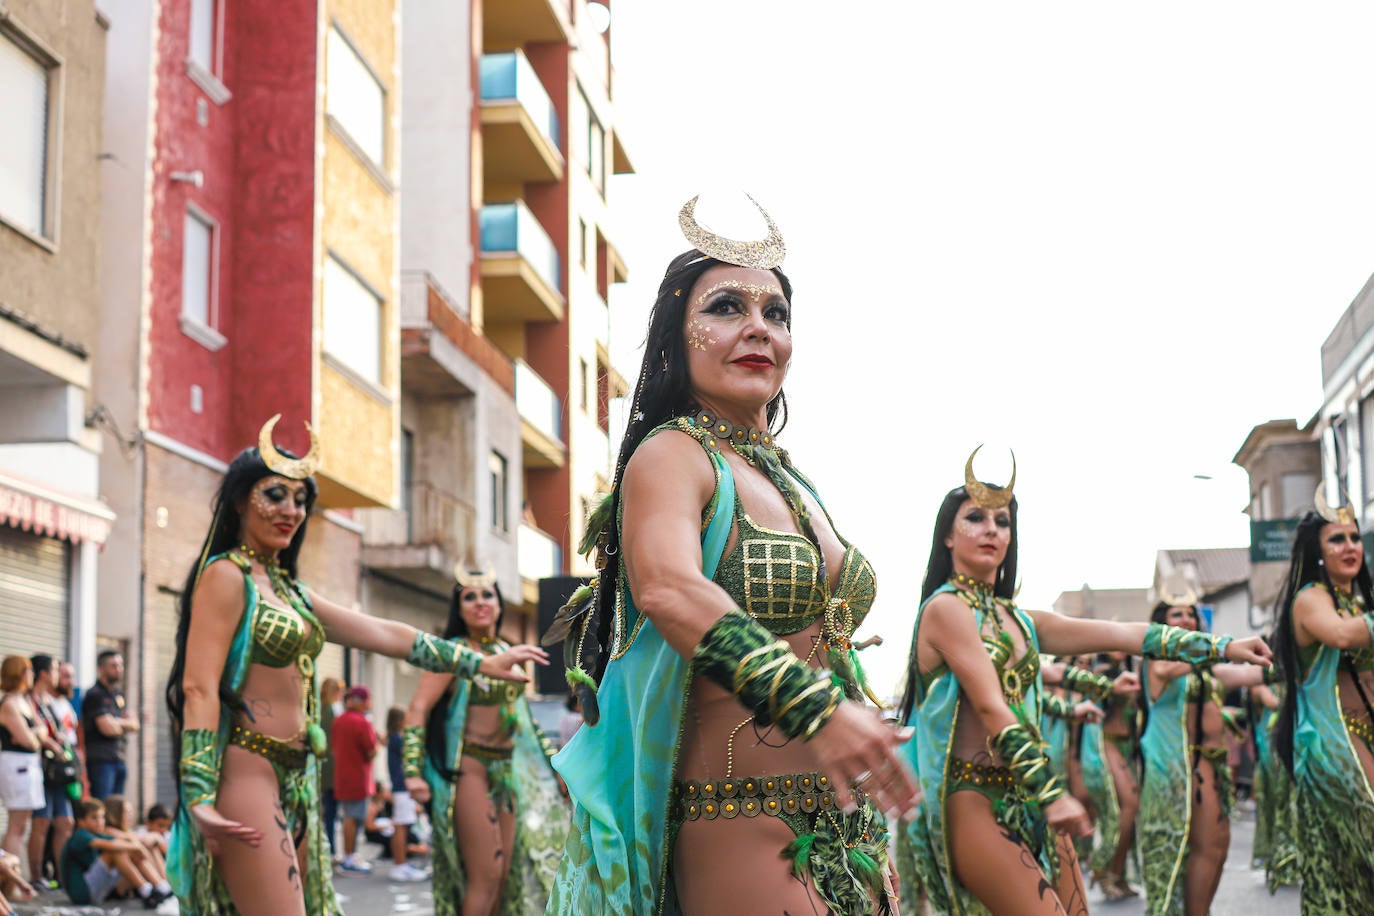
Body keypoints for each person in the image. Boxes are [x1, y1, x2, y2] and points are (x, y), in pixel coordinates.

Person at [545, 198, 921, 915]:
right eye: (726, 307)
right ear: (674, 340)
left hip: (843, 826)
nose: (758, 328)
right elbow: (669, 590)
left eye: (776, 314)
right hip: (738, 822)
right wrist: (814, 706)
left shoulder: (787, 475)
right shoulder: (671, 455)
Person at [163, 417, 549, 915]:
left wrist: (479, 663)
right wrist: (197, 793)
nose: (291, 510)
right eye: (274, 495)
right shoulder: (225, 576)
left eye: (301, 500)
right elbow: (198, 687)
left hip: (297, 777)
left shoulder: (289, 591)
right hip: (248, 770)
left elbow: (385, 633)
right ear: (240, 500)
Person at [895, 463, 1271, 916]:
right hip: (973, 798)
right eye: (975, 518)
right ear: (948, 537)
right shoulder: (945, 610)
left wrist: (1223, 646)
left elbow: (1129, 636)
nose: (991, 529)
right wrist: (1053, 793)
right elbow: (992, 707)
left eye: (1002, 521)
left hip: (1028, 795)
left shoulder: (1019, 620)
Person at [404, 567, 568, 915]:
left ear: (499, 604)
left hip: (507, 774)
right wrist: (412, 772)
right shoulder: (453, 653)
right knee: (486, 874)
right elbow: (418, 708)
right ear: (459, 609)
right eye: (469, 597)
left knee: (506, 874)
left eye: (487, 595)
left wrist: (555, 765)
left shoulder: (506, 649)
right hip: (470, 772)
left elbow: (525, 720)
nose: (480, 603)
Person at [1136, 587, 1270, 916]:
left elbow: (1249, 672)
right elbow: (1177, 667)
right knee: (1202, 848)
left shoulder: (1202, 667)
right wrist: (1222, 650)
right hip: (1179, 769)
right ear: (1161, 624)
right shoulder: (1159, 662)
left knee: (1217, 846)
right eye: (1176, 614)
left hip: (1211, 767)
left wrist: (1287, 661)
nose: (1186, 619)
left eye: (1191, 614)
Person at [1269, 496, 1374, 912]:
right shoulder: (1310, 599)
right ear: (1318, 551)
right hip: (1334, 741)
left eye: (1354, 538)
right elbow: (1343, 637)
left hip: (1364, 734)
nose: (1350, 547)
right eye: (1337, 540)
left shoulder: (1360, 602)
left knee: (1351, 870)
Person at [60, 798, 170, 908]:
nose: (100, 822)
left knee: (129, 850)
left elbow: (122, 839)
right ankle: (147, 890)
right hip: (82, 893)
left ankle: (161, 887)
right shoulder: (80, 835)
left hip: (97, 891)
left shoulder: (98, 834)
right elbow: (111, 845)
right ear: (81, 821)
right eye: (94, 818)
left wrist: (139, 845)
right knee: (116, 851)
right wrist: (138, 846)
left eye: (102, 817)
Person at [27, 654, 75, 888]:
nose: (58, 675)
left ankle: (62, 875)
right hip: (43, 769)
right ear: (44, 673)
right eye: (56, 670)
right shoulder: (30, 699)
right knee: (41, 823)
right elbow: (38, 732)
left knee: (65, 821)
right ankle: (36, 877)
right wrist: (53, 743)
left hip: (60, 771)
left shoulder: (48, 700)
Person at [0, 656, 47, 862]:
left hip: (29, 765)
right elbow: (30, 741)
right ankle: (10, 880)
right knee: (17, 826)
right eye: (29, 671)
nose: (33, 676)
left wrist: (35, 733)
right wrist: (36, 734)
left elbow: (43, 731)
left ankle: (12, 877)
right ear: (19, 674)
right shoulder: (9, 704)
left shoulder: (25, 701)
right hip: (17, 765)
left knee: (23, 825)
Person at [332, 684, 377, 875]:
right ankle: (349, 856)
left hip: (342, 774)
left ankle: (349, 855)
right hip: (358, 776)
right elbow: (371, 750)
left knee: (348, 817)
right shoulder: (362, 722)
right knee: (353, 818)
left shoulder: (339, 720)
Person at [82, 650, 139, 799]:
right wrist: (124, 725)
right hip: (101, 762)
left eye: (120, 665)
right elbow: (107, 728)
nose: (119, 669)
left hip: (119, 758)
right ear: (101, 669)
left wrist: (116, 723)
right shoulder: (95, 695)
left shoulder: (118, 695)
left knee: (117, 810)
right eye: (113, 666)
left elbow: (135, 724)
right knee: (103, 807)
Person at [382, 706, 425, 882]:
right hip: (401, 787)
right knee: (401, 825)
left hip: (399, 787)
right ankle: (400, 865)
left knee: (402, 824)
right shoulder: (397, 740)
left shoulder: (393, 739)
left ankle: (401, 863)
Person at [318, 676, 343, 858]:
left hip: (322, 767)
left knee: (326, 811)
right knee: (332, 813)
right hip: (335, 768)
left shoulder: (319, 710)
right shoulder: (335, 710)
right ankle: (332, 849)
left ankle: (328, 847)